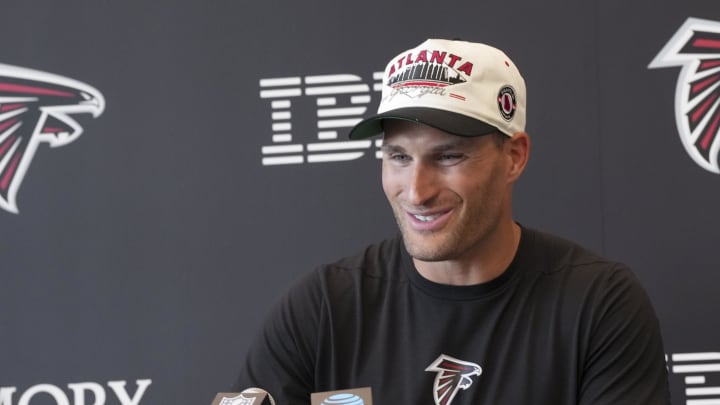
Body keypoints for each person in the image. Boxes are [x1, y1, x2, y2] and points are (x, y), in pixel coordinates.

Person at [235, 38, 671, 404]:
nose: (417, 190)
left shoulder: (598, 303)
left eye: (448, 157)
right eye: (398, 157)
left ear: (514, 157)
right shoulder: (322, 307)